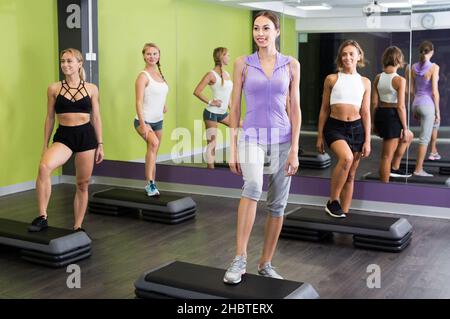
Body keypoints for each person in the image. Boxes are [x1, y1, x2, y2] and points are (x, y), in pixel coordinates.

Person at [224, 11, 301, 284]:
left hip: (283, 138)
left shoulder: (291, 64)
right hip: (251, 137)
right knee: (253, 185)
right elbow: (234, 107)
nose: (260, 33)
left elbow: (295, 107)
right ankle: (239, 258)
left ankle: (265, 263)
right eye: (256, 28)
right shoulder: (242, 63)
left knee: (278, 204)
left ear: (277, 32)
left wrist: (294, 148)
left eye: (266, 28)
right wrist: (232, 147)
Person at [29, 48, 104, 232]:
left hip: (86, 136)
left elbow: (96, 117)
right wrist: (45, 144)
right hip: (64, 136)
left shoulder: (92, 88)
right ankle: (42, 216)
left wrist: (100, 143)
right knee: (44, 167)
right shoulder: (54, 88)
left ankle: (78, 226)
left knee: (82, 183)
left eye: (70, 61)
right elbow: (49, 118)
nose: (65, 65)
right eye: (63, 61)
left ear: (80, 64)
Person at [316, 40, 371, 218]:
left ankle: (343, 214)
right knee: (346, 158)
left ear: (358, 56)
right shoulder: (332, 79)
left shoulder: (365, 82)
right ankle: (333, 201)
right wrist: (319, 135)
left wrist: (368, 140)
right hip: (335, 127)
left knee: (351, 174)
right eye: (344, 54)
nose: (347, 57)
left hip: (357, 129)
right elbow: (324, 109)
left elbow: (365, 112)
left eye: (351, 54)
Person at [372, 46, 414, 182]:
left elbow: (374, 103)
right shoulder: (400, 80)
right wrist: (405, 127)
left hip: (381, 114)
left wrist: (373, 122)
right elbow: (401, 106)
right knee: (386, 156)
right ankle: (384, 187)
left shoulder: (378, 77)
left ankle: (395, 168)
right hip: (392, 115)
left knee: (409, 137)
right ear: (399, 60)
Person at [134, 43, 169, 196]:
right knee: (153, 145)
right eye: (149, 54)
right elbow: (138, 102)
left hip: (158, 120)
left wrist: (163, 105)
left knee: (153, 151)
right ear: (143, 56)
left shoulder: (159, 74)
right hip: (144, 120)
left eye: (155, 54)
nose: (152, 57)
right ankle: (149, 184)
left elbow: (159, 92)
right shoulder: (143, 76)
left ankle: (153, 183)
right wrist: (142, 124)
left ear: (159, 56)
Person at [193, 47, 233, 169]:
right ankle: (210, 170)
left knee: (241, 125)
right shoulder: (211, 75)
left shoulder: (226, 74)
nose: (229, 57)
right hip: (211, 114)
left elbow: (228, 96)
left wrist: (233, 111)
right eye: (227, 55)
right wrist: (211, 101)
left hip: (223, 113)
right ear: (221, 57)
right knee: (212, 143)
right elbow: (197, 91)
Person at [407, 41, 440, 176]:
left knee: (434, 125)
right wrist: (437, 111)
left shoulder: (411, 67)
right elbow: (434, 91)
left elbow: (411, 90)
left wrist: (414, 108)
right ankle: (418, 169)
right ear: (432, 52)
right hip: (427, 105)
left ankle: (434, 151)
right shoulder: (434, 67)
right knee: (424, 139)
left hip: (416, 104)